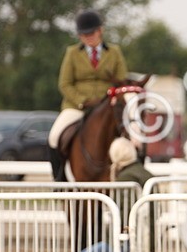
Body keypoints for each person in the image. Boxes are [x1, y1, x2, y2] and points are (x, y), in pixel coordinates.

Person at [72, 137, 153, 252]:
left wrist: (120, 233)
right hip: (141, 238)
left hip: (123, 239)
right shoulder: (146, 174)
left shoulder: (125, 178)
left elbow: (125, 214)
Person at [48, 10, 129, 181]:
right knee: (54, 137)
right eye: (83, 35)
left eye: (91, 33)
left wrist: (109, 98)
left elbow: (122, 81)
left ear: (100, 31)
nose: (88, 38)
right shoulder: (72, 53)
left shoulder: (114, 52)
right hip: (77, 107)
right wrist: (81, 101)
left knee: (131, 137)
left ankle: (130, 176)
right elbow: (65, 84)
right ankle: (59, 179)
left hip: (106, 106)